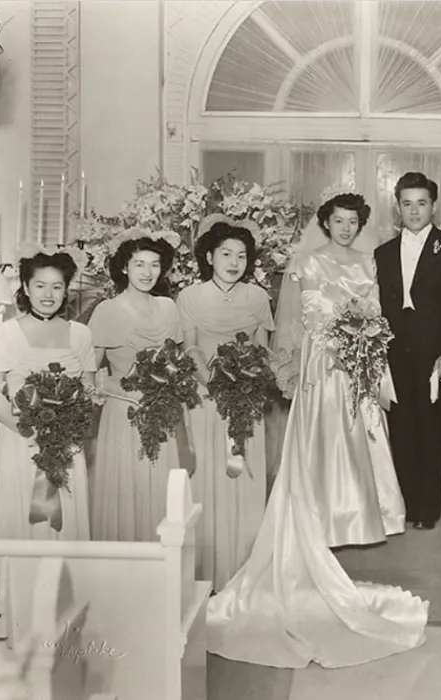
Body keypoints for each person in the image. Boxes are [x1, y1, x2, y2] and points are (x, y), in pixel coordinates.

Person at [206, 192, 428, 669]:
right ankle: (314, 518)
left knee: (358, 443)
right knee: (317, 444)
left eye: (353, 221)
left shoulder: (369, 263)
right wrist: (292, 369)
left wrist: (366, 346)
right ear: (324, 222)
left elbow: (376, 314)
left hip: (358, 363)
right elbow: (292, 324)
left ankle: (350, 515)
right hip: (319, 368)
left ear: (360, 224)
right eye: (337, 220)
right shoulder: (305, 262)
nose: (345, 228)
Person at [177, 222, 275, 590]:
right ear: (209, 257)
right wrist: (215, 384)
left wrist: (252, 377)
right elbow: (189, 348)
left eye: (241, 256)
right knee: (208, 478)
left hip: (246, 398)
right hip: (206, 397)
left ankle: (243, 569)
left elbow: (262, 348)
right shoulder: (190, 296)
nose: (234, 262)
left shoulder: (257, 297)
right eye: (226, 254)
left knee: (243, 477)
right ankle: (206, 572)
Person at [374, 172, 441, 530]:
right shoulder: (382, 253)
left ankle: (428, 510)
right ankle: (405, 506)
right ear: (397, 207)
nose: (414, 211)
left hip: (435, 358)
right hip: (396, 357)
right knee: (401, 431)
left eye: (421, 203)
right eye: (407, 204)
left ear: (433, 206)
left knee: (431, 432)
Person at [0, 251, 94, 539]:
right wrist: (27, 429)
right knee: (23, 517)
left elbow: (89, 391)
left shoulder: (80, 334)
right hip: (21, 441)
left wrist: (67, 426)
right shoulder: (8, 333)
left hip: (67, 443)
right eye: (40, 285)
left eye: (57, 286)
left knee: (66, 514)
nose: (48, 294)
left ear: (66, 290)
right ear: (26, 288)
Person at [88, 234, 185, 542]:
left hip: (163, 412)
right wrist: (115, 389)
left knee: (160, 488)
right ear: (125, 268)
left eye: (155, 265)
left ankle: (163, 573)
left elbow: (177, 362)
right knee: (126, 488)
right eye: (139, 264)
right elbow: (89, 373)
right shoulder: (107, 310)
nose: (147, 272)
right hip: (125, 414)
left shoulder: (169, 308)